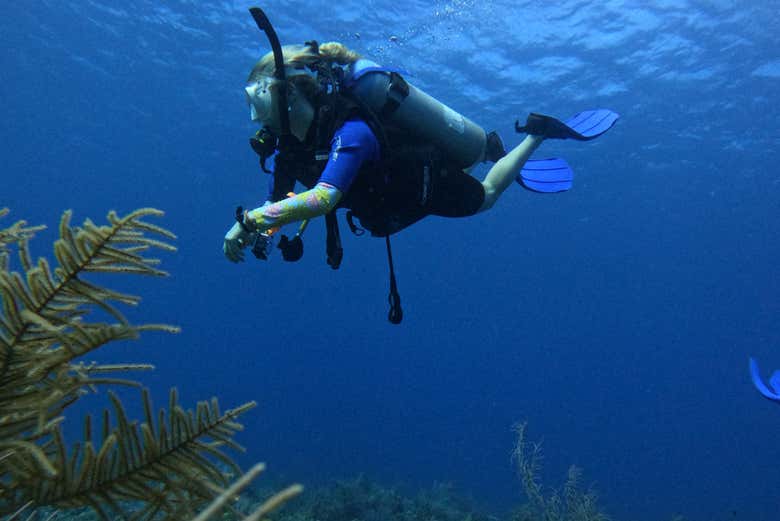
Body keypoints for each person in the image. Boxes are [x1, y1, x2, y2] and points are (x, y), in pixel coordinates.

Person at [223, 32, 616, 322]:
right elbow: (282, 203)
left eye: (257, 101)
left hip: (421, 182)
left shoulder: (353, 129)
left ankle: (536, 133)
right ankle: (492, 149)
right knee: (481, 178)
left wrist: (251, 222)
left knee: (488, 193)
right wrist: (261, 229)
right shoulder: (288, 147)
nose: (255, 118)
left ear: (287, 95)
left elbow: (323, 199)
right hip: (388, 201)